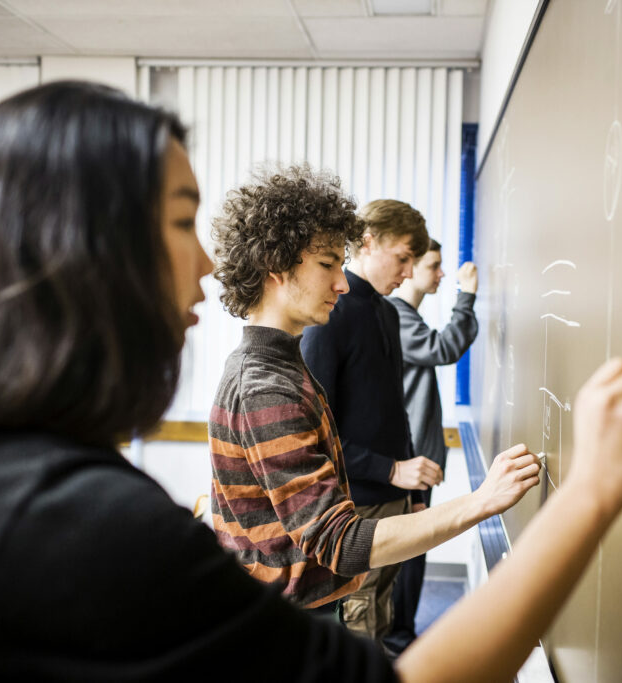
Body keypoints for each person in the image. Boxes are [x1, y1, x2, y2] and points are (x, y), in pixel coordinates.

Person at [0, 80, 622, 683]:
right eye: (182, 222)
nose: (209, 263)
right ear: (88, 249)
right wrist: (590, 495)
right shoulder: (75, 518)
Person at [207, 169, 538, 620]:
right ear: (275, 266)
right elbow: (338, 542)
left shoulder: (281, 363)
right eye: (327, 265)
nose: (342, 284)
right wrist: (482, 501)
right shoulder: (264, 388)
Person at [298, 198, 450, 643]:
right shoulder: (331, 314)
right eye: (403, 258)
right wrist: (390, 470)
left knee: (381, 619)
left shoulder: (386, 312)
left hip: (394, 500)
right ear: (367, 242)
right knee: (358, 627)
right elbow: (316, 429)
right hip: (355, 508)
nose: (407, 272)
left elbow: (393, 412)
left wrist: (412, 493)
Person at [384, 241, 479, 653]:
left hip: (417, 454)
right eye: (433, 266)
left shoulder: (404, 316)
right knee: (409, 552)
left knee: (413, 551)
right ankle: (398, 640)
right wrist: (467, 296)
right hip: (409, 459)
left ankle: (400, 636)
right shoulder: (397, 316)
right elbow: (443, 349)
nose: (441, 275)